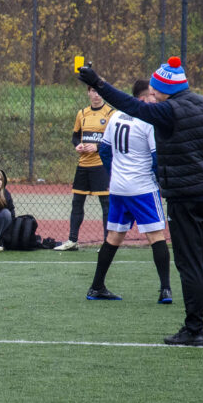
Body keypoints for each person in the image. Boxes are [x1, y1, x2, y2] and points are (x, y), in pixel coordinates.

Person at [78, 57, 203, 347]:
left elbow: (131, 106)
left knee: (189, 263)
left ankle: (194, 329)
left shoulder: (169, 111)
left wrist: (98, 83)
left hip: (185, 197)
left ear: (165, 89)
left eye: (155, 89)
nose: (152, 93)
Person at [86, 80, 173, 303]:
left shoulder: (115, 116)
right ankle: (165, 289)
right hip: (142, 188)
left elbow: (104, 151)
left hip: (118, 188)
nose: (155, 98)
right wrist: (161, 181)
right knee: (156, 236)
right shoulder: (149, 120)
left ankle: (96, 287)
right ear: (143, 98)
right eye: (152, 95)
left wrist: (114, 174)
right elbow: (156, 158)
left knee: (114, 237)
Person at [52, 86, 115, 251]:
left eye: (99, 91)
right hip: (83, 165)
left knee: (106, 204)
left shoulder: (111, 114)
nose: (96, 94)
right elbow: (75, 136)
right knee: (77, 202)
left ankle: (107, 243)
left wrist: (97, 147)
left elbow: (114, 140)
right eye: (93, 91)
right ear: (88, 93)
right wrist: (78, 145)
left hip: (101, 166)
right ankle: (72, 241)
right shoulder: (82, 113)